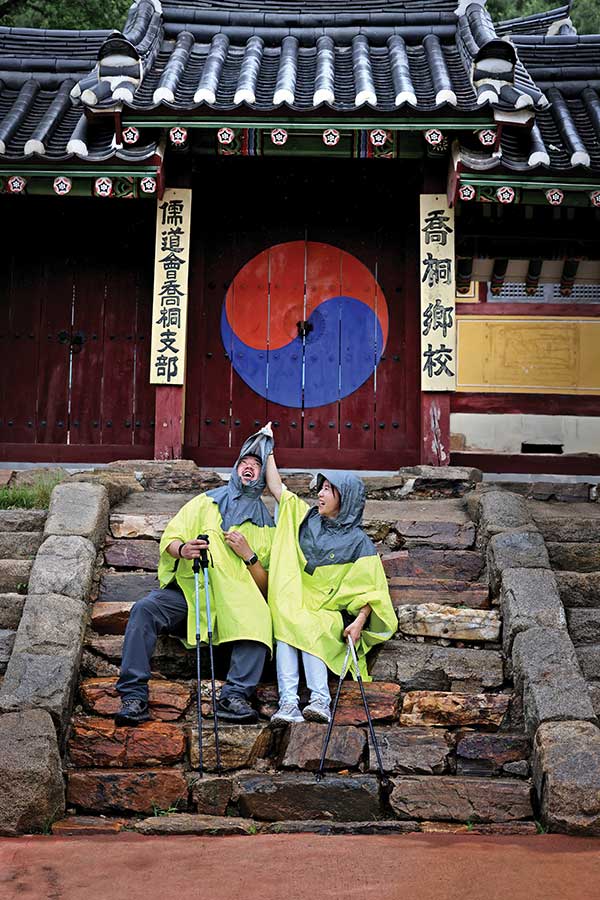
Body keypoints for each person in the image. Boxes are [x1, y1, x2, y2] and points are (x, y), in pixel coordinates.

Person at [114, 429, 275, 726]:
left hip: (237, 603)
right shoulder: (204, 502)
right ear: (236, 468)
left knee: (261, 623)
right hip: (192, 593)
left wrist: (248, 554)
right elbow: (171, 539)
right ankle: (133, 695)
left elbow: (267, 586)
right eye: (244, 462)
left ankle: (234, 696)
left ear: (265, 476)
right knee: (145, 609)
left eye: (257, 464)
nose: (249, 466)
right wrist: (183, 549)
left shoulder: (269, 526)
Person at [264, 428, 397, 725]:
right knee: (286, 619)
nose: (320, 494)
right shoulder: (305, 518)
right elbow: (277, 489)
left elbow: (370, 590)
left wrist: (359, 623)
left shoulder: (359, 542)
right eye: (320, 488)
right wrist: (269, 449)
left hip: (328, 610)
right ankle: (288, 703)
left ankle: (320, 700)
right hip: (297, 598)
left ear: (345, 498)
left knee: (313, 626)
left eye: (327, 489)